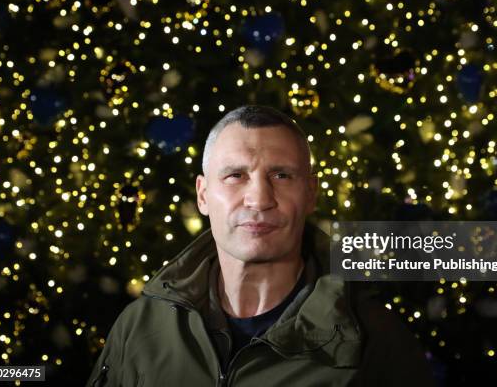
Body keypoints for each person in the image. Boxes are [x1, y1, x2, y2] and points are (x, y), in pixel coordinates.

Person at [86, 105, 436, 386]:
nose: (259, 199)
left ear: (310, 193)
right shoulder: (139, 326)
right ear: (204, 195)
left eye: (281, 175)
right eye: (235, 175)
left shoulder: (376, 340)